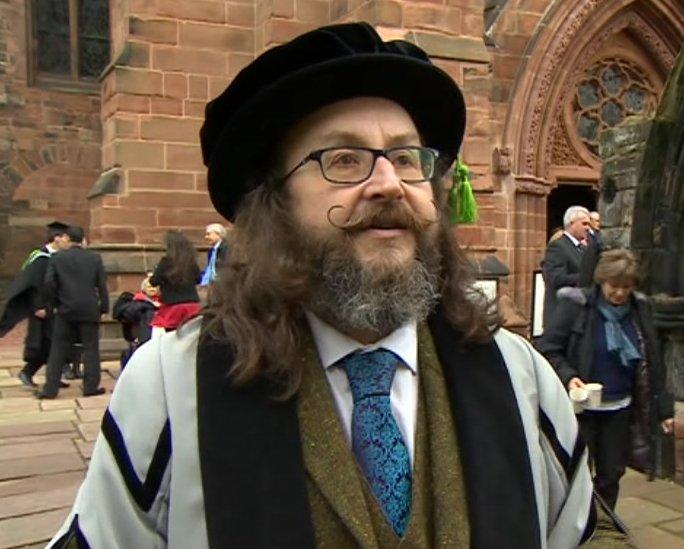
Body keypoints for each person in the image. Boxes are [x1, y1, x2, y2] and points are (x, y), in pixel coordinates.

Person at [49, 23, 606, 548]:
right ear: (275, 205)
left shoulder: (518, 374)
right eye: (344, 160)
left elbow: (589, 533)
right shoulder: (172, 386)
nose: (389, 184)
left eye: (407, 158)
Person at [536, 249, 674, 510]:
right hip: (580, 411)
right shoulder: (576, 307)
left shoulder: (640, 309)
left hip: (620, 409)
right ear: (601, 281)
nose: (620, 293)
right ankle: (578, 526)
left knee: (611, 475)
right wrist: (569, 377)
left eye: (627, 287)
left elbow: (654, 360)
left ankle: (604, 523)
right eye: (614, 286)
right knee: (577, 476)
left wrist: (665, 409)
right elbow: (547, 347)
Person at [37, 226, 108, 399]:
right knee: (91, 348)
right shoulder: (94, 258)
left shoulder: (57, 258)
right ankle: (90, 386)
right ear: (83, 239)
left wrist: (52, 304)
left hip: (65, 308)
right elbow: (101, 285)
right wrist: (104, 308)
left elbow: (48, 284)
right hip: (89, 308)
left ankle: (50, 389)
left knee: (58, 349)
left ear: (68, 238)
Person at [0, 221, 72, 388]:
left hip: (54, 307)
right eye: (66, 238)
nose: (68, 242)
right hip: (40, 309)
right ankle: (27, 373)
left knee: (54, 343)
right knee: (43, 344)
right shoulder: (40, 258)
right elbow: (32, 286)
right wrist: (38, 307)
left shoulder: (58, 257)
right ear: (57, 238)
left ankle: (52, 377)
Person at [541, 205, 590, 332]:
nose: (588, 228)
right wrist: (587, 278)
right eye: (584, 223)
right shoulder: (558, 246)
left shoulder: (584, 249)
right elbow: (556, 278)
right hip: (561, 316)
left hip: (580, 316)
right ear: (571, 223)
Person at [149, 231, 202, 333]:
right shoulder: (190, 261)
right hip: (192, 305)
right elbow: (198, 279)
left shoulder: (166, 261)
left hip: (173, 306)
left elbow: (154, 281)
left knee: (173, 338)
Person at [579, 210, 603, 288]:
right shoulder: (584, 235)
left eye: (600, 221)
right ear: (590, 221)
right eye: (597, 221)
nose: (599, 223)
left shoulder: (600, 234)